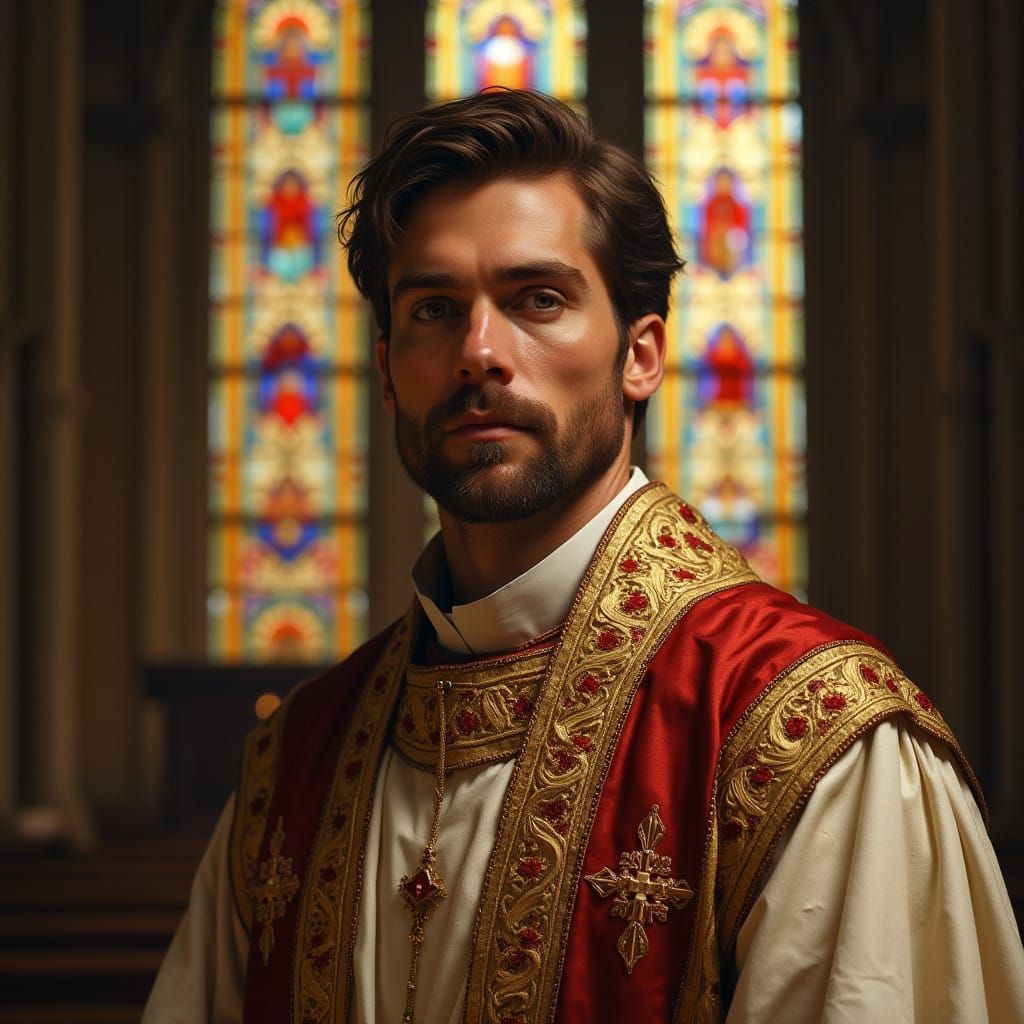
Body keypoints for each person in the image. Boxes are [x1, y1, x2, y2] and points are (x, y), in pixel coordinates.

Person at [142, 89, 1024, 1024]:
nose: (480, 352)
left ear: (640, 353)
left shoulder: (816, 738)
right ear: (389, 369)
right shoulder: (292, 769)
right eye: (436, 309)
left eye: (539, 300)